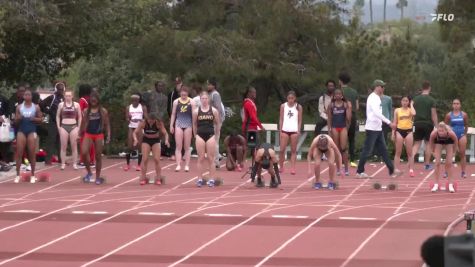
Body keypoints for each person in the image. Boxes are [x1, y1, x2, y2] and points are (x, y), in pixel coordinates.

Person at [356, 80, 401, 178]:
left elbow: (378, 114)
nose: (383, 88)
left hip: (377, 128)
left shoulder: (376, 98)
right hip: (372, 128)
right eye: (382, 86)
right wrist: (389, 122)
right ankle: (359, 171)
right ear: (377, 87)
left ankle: (392, 170)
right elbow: (376, 113)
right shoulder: (373, 98)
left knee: (384, 150)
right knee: (367, 150)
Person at [80, 92, 111, 184]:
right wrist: (79, 134)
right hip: (88, 134)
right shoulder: (86, 111)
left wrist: (108, 135)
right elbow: (83, 123)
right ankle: (89, 172)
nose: (93, 101)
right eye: (92, 100)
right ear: (90, 101)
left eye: (95, 99)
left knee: (98, 156)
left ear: (98, 100)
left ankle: (98, 177)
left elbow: (107, 124)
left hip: (99, 135)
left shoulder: (103, 111)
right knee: (84, 152)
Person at [14, 90, 43, 183]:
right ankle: (17, 175)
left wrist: (34, 118)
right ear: (23, 97)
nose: (27, 96)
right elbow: (15, 121)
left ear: (31, 96)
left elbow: (41, 119)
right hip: (21, 130)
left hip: (31, 130)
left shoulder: (36, 107)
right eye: (25, 94)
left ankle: (33, 175)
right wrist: (18, 118)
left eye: (29, 94)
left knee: (31, 152)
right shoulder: (19, 107)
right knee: (19, 152)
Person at [193, 91, 221, 187]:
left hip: (210, 135)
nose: (204, 100)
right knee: (200, 158)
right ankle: (199, 179)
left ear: (208, 100)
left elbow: (218, 123)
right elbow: (194, 124)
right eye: (202, 99)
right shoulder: (196, 111)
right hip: (200, 135)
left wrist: (217, 134)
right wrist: (195, 135)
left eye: (206, 98)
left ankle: (211, 179)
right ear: (200, 100)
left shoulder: (213, 111)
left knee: (211, 158)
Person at [133, 112, 169, 185]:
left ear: (155, 120)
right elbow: (135, 132)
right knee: (145, 159)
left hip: (155, 141)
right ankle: (143, 178)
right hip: (146, 140)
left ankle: (158, 178)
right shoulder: (143, 123)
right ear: (147, 119)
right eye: (149, 120)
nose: (150, 122)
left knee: (156, 159)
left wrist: (166, 140)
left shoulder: (158, 123)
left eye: (152, 121)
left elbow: (165, 133)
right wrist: (135, 139)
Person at [412, 81, 438, 171]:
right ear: (429, 88)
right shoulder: (431, 100)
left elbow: (412, 112)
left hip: (417, 123)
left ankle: (410, 163)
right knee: (428, 144)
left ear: (422, 88)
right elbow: (433, 114)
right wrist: (437, 126)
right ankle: (426, 165)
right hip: (428, 124)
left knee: (416, 144)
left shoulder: (415, 99)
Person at [327, 88, 352, 176]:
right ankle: (338, 168)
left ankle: (346, 169)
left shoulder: (345, 105)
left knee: (343, 148)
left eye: (339, 94)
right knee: (336, 149)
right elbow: (329, 118)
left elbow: (349, 119)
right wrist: (329, 129)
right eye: (336, 94)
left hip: (343, 127)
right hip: (334, 127)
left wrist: (349, 108)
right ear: (334, 95)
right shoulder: (331, 105)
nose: (337, 95)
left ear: (342, 95)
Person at [170, 86, 194, 172]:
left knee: (187, 147)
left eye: (185, 93)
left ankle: (187, 165)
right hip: (179, 124)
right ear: (180, 93)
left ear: (187, 93)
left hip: (188, 124)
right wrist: (171, 125)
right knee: (178, 146)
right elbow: (173, 114)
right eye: (182, 93)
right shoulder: (176, 102)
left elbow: (194, 116)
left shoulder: (191, 102)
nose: (183, 95)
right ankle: (178, 164)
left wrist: (194, 128)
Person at [40, 81, 65, 165]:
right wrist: (48, 111)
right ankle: (48, 160)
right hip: (53, 122)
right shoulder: (52, 97)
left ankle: (61, 159)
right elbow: (41, 104)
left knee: (61, 141)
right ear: (56, 89)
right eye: (59, 89)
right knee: (51, 141)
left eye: (62, 89)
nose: (61, 91)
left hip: (62, 123)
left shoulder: (64, 98)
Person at [56, 89, 82, 170]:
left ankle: (75, 164)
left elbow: (80, 117)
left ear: (72, 96)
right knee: (63, 147)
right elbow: (57, 116)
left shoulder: (76, 105)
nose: (68, 97)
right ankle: (63, 164)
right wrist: (59, 127)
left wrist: (79, 127)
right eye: (66, 96)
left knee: (74, 147)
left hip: (74, 126)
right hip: (64, 126)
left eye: (69, 96)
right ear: (64, 96)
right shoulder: (61, 105)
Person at [429, 122, 458, 193]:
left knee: (449, 163)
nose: (441, 132)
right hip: (438, 142)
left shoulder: (451, 133)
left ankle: (450, 184)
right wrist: (432, 151)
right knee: (437, 163)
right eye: (439, 131)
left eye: (442, 131)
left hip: (449, 142)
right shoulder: (434, 134)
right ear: (437, 130)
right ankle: (436, 184)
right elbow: (431, 141)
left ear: (446, 131)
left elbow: (456, 141)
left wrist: (454, 152)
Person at [392, 96, 416, 177]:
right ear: (401, 101)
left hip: (408, 131)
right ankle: (396, 169)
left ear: (408, 102)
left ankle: (411, 169)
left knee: (410, 152)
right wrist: (393, 133)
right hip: (399, 131)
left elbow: (414, 114)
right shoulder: (397, 110)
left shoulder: (410, 110)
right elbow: (395, 122)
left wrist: (412, 104)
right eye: (403, 100)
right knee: (398, 152)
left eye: (406, 101)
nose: (405, 102)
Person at [279, 91, 302, 175]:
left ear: (295, 98)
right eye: (289, 98)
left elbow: (299, 120)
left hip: (294, 130)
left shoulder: (298, 107)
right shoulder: (283, 106)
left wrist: (298, 130)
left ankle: (293, 168)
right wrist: (280, 130)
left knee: (293, 150)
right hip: (285, 129)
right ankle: (281, 166)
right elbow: (281, 118)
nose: (291, 100)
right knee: (282, 150)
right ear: (287, 98)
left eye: (292, 98)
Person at [444, 99, 469, 178]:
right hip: (451, 135)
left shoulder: (464, 114)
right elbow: (445, 126)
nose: (456, 105)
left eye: (457, 103)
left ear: (460, 105)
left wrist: (464, 134)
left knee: (462, 153)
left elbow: (466, 125)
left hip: (461, 135)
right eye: (454, 103)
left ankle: (463, 172)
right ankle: (446, 172)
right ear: (452, 105)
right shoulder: (449, 115)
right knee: (449, 154)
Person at [339, 72, 359, 167]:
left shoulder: (338, 91)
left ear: (340, 81)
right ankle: (352, 160)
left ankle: (342, 161)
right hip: (353, 116)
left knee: (341, 139)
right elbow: (357, 106)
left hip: (341, 116)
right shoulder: (354, 92)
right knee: (351, 139)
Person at [242, 87, 265, 166]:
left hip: (252, 127)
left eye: (255, 92)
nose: (255, 94)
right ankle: (255, 164)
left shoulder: (251, 103)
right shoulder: (248, 103)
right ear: (249, 93)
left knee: (252, 146)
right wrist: (260, 126)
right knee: (255, 146)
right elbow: (252, 117)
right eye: (253, 93)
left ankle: (248, 163)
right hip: (250, 128)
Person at [124, 94, 147, 171]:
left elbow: (146, 118)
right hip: (131, 127)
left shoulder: (142, 107)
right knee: (129, 146)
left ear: (138, 100)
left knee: (140, 146)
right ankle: (127, 164)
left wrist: (141, 121)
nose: (134, 102)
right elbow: (126, 118)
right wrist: (129, 119)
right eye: (133, 100)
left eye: (136, 100)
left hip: (139, 127)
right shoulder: (128, 107)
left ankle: (139, 165)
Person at [207, 78, 225, 168]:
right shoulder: (210, 94)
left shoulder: (215, 94)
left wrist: (216, 120)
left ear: (213, 85)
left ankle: (216, 161)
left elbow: (218, 108)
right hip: (211, 120)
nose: (207, 86)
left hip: (216, 121)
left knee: (214, 140)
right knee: (212, 141)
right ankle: (216, 159)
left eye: (209, 84)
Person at [78, 84, 95, 168]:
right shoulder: (91, 99)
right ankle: (91, 160)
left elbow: (80, 113)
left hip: (85, 123)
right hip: (93, 123)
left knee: (83, 142)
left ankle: (83, 161)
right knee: (91, 143)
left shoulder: (82, 100)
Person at [167, 77, 183, 161]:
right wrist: (170, 117)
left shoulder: (186, 94)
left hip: (184, 117)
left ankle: (182, 153)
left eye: (179, 83)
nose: (178, 85)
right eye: (176, 83)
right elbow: (169, 107)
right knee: (173, 136)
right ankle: (172, 153)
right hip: (174, 117)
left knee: (183, 136)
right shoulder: (171, 94)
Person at [0, 92, 12, 170]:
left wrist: (3, 117)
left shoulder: (3, 99)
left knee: (5, 142)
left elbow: (8, 112)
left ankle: (4, 161)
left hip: (4, 126)